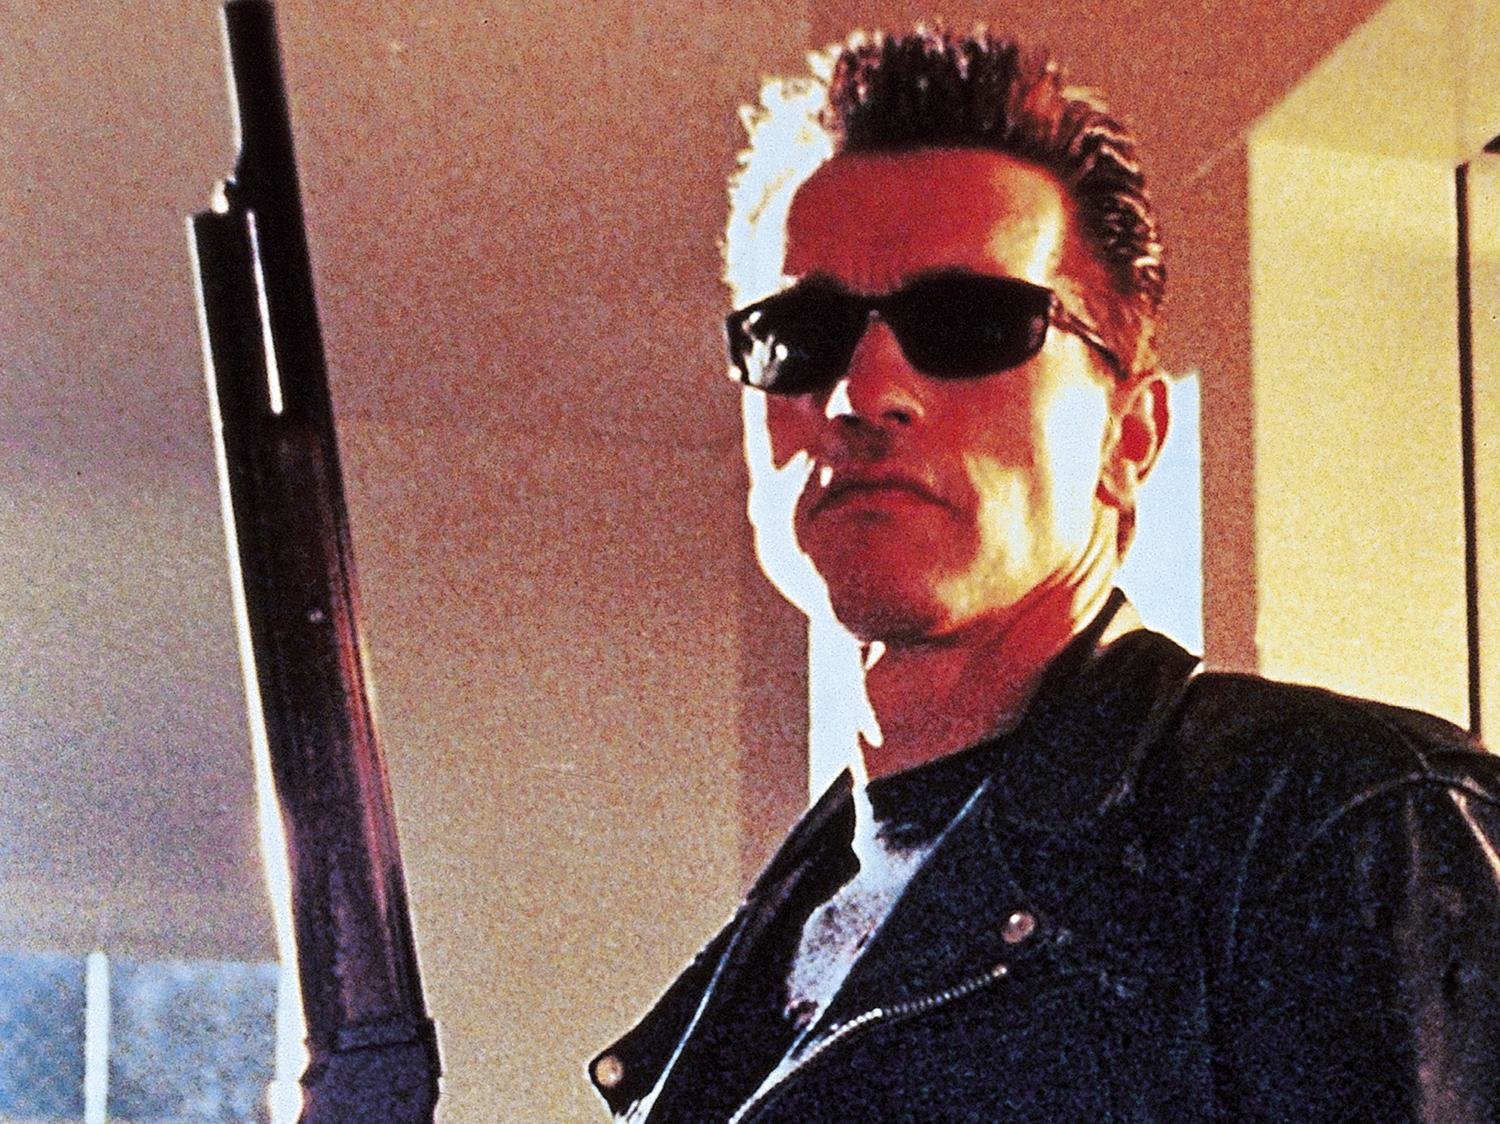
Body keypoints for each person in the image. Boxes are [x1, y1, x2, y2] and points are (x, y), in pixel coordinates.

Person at [590, 27, 1500, 1122]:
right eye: (799, 334)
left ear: (1130, 436)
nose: (861, 393)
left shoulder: (1343, 829)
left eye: (969, 324)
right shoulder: (767, 952)